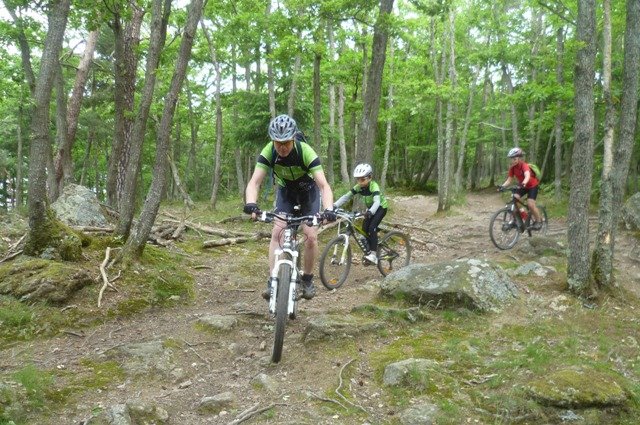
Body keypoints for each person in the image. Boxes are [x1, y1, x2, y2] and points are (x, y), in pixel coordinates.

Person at [243, 114, 336, 300]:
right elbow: (254, 182)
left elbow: (324, 186)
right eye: (278, 143)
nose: (282, 147)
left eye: (286, 142)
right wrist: (251, 204)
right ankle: (273, 280)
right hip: (286, 192)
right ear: (272, 141)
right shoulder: (269, 151)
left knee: (310, 236)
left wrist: (329, 209)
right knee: (277, 231)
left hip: (308, 193)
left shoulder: (306, 152)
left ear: (293, 138)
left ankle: (308, 279)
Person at [333, 163, 388, 264]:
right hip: (370, 209)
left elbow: (377, 202)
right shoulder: (358, 187)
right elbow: (346, 196)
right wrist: (334, 206)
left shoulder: (373, 186)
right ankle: (370, 250)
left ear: (370, 177)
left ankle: (373, 255)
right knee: (364, 230)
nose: (360, 182)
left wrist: (370, 212)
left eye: (362, 179)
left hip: (380, 208)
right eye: (358, 179)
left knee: (372, 228)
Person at [498, 147, 543, 230]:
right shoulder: (512, 168)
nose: (513, 161)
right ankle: (522, 215)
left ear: (519, 158)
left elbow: (527, 175)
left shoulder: (524, 165)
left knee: (530, 204)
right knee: (514, 199)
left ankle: (538, 221)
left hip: (532, 186)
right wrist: (502, 186)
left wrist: (524, 182)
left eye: (514, 159)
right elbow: (509, 179)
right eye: (511, 159)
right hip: (522, 186)